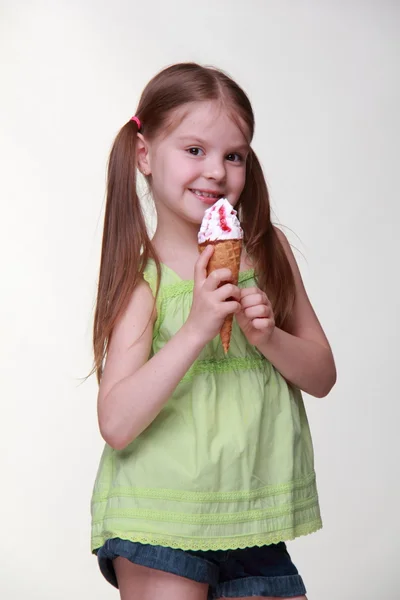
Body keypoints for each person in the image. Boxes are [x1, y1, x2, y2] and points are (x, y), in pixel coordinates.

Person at [90, 62, 336, 600]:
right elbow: (116, 421)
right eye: (194, 150)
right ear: (145, 156)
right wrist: (197, 327)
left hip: (253, 518)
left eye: (234, 155)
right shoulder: (143, 280)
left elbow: (322, 375)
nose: (216, 171)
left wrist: (270, 337)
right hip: (158, 519)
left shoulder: (268, 253)